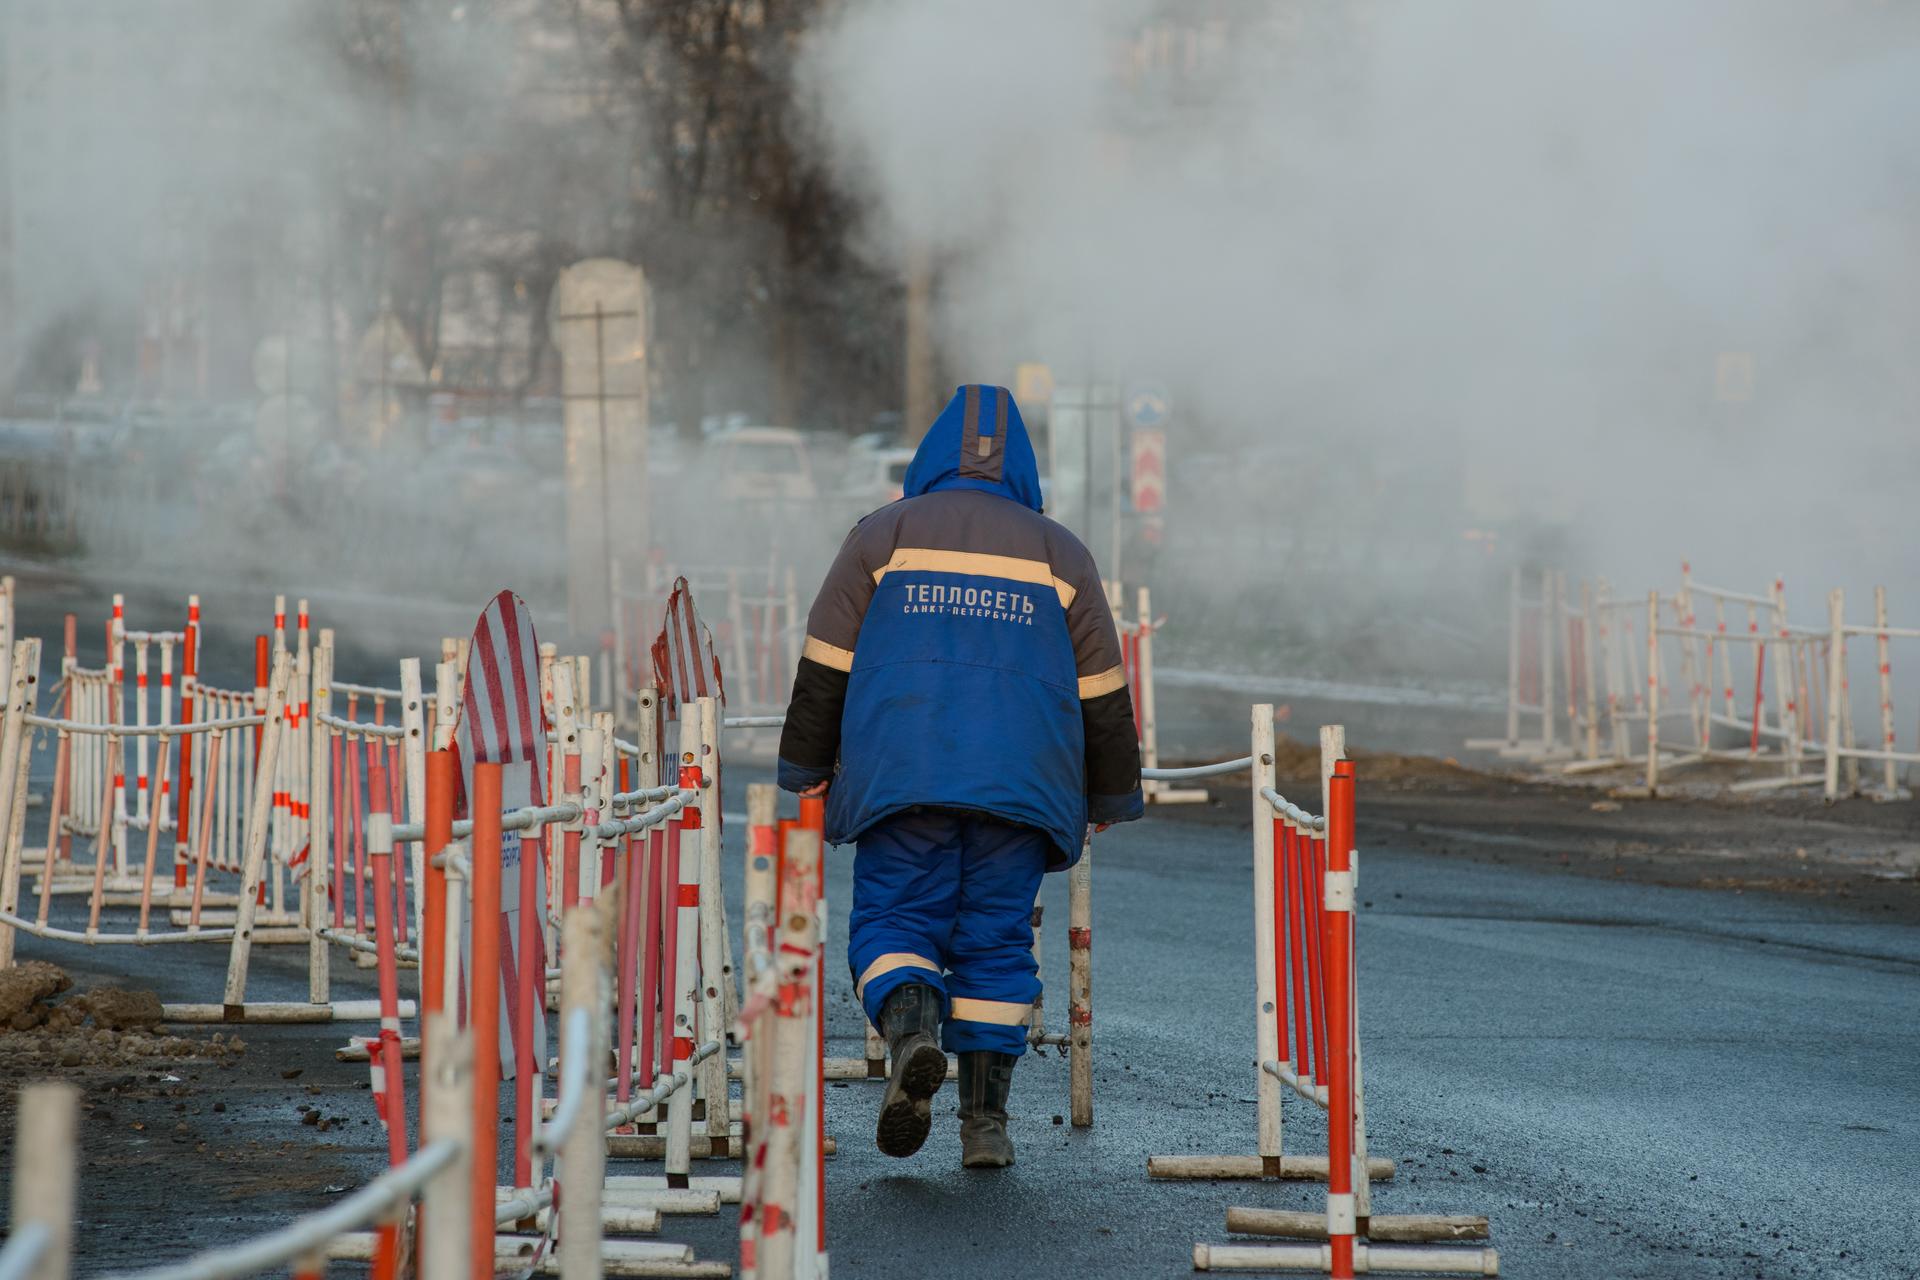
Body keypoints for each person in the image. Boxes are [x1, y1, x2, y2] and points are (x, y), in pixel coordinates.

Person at [778, 383, 1143, 1168]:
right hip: (1022, 790)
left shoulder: (881, 537)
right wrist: (1108, 793)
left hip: (902, 780)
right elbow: (1103, 693)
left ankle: (912, 1034)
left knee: (894, 922)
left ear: (933, 454)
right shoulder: (1062, 553)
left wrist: (805, 766)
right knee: (996, 945)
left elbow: (826, 662)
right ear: (1023, 466)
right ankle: (986, 1126)